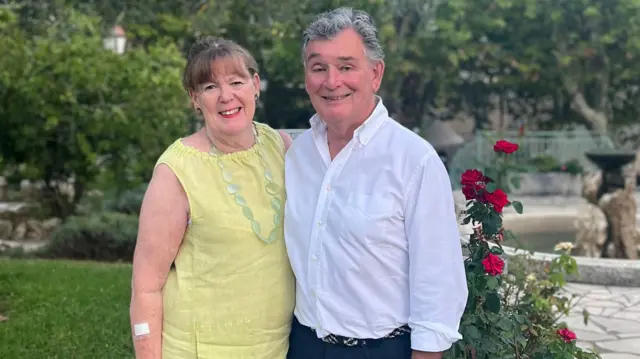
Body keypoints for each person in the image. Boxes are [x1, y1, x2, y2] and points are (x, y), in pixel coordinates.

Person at [283, 7, 468, 359]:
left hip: (381, 350)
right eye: (318, 67)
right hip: (302, 345)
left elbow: (438, 282)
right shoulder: (297, 155)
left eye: (346, 66)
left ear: (376, 73)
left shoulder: (414, 161)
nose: (332, 81)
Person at [129, 36, 295, 359]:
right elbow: (145, 286)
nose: (226, 96)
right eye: (209, 87)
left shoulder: (282, 147)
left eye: (236, 81)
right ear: (195, 98)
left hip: (276, 347)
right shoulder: (176, 172)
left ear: (255, 85)